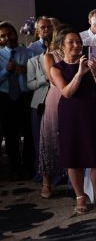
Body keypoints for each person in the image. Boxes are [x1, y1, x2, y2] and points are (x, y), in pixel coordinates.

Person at [49, 28, 96, 214]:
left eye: (78, 42)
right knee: (73, 157)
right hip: (71, 115)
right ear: (62, 46)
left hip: (94, 112)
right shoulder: (56, 68)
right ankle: (80, 196)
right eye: (71, 42)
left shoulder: (91, 62)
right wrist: (80, 73)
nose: (76, 45)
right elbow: (67, 92)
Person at [0, 22, 35, 179]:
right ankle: (14, 168)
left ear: (15, 34)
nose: (7, 37)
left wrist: (27, 71)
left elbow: (39, 76)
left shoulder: (29, 53)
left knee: (29, 133)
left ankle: (28, 167)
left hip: (26, 98)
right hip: (5, 99)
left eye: (9, 34)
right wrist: (5, 71)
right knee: (10, 134)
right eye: (2, 36)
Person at [37, 26, 67, 198]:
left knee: (71, 138)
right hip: (56, 99)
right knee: (50, 138)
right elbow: (53, 80)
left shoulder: (77, 55)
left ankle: (73, 179)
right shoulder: (50, 56)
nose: (74, 44)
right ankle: (46, 183)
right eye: (69, 40)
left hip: (74, 98)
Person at [26, 36, 50, 187]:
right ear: (47, 44)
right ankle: (43, 174)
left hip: (57, 104)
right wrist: (44, 79)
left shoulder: (62, 60)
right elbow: (29, 85)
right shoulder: (33, 61)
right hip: (39, 104)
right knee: (40, 141)